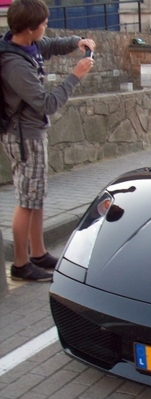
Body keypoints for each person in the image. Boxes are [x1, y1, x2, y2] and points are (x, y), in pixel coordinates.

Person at [0, 0, 95, 281]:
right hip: (23, 138)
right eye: (43, 24)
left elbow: (50, 45)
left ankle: (38, 253)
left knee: (37, 196)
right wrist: (74, 76)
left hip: (31, 133)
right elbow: (47, 103)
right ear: (29, 29)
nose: (46, 28)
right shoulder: (14, 64)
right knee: (26, 201)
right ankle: (20, 264)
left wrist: (77, 41)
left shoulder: (26, 45)